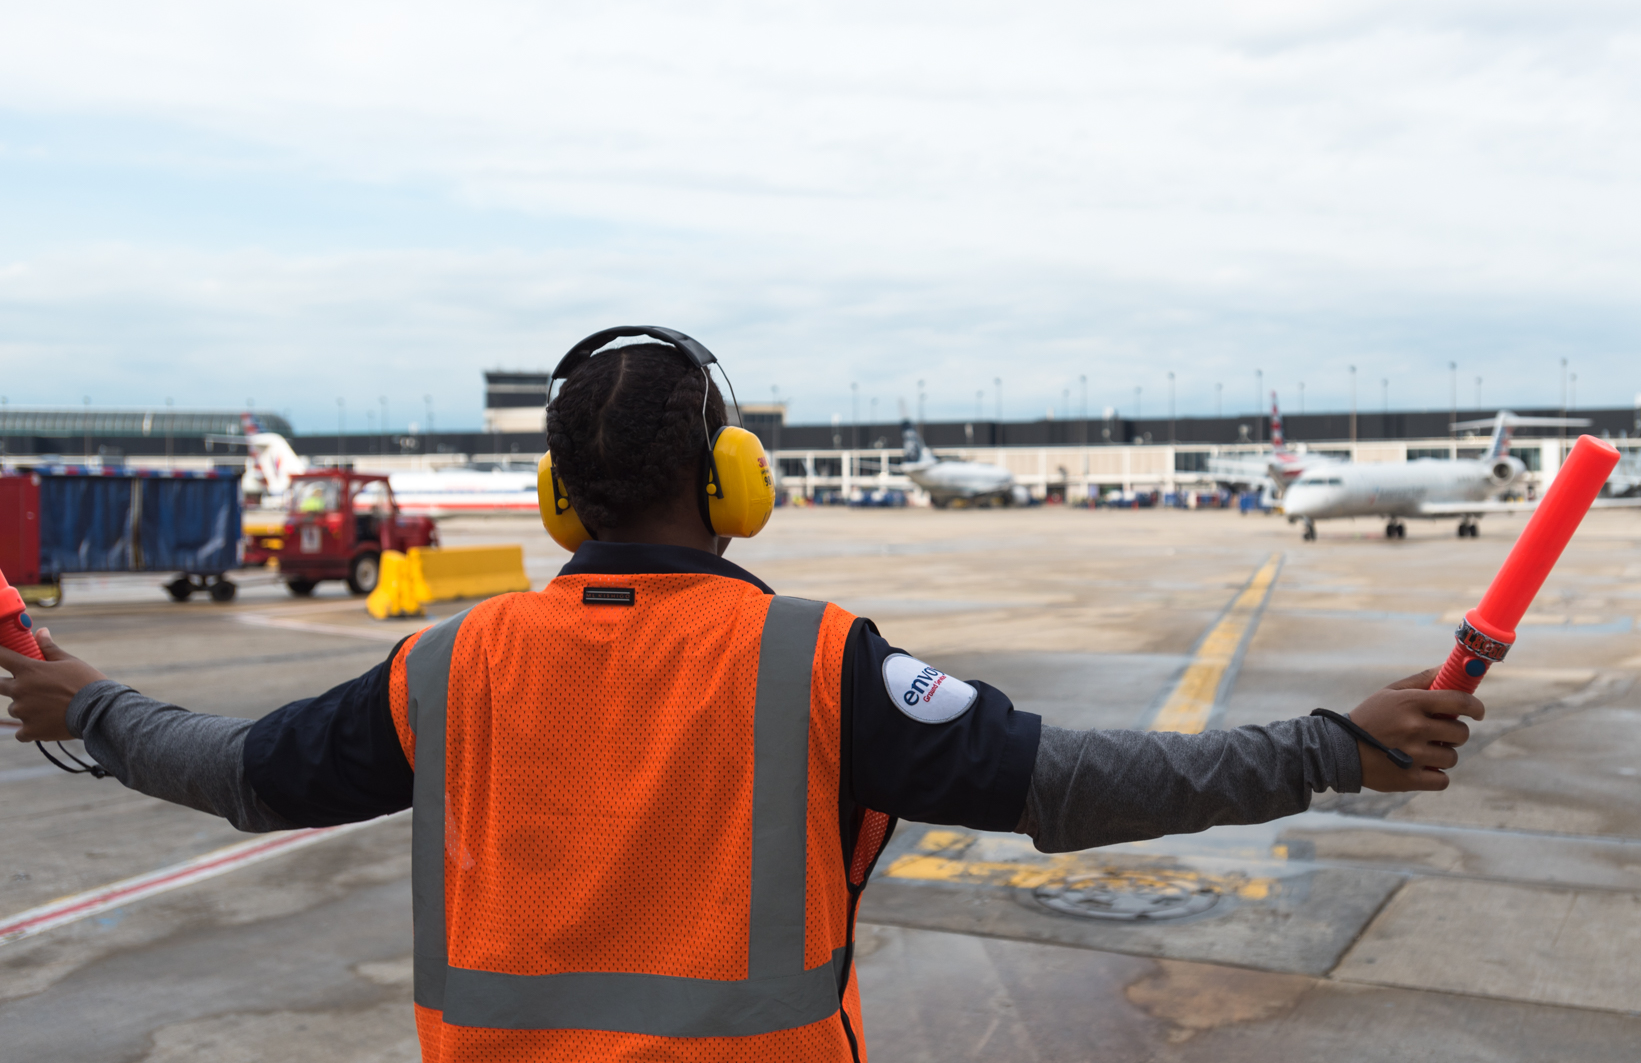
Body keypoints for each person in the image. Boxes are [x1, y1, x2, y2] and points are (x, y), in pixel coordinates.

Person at [0, 327, 1482, 1063]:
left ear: (554, 500)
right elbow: (1080, 787)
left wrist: (94, 706)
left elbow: (248, 772)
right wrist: (1332, 748)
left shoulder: (451, 662)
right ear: (734, 485)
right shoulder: (820, 661)